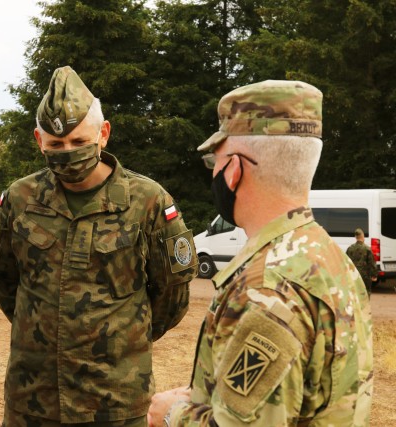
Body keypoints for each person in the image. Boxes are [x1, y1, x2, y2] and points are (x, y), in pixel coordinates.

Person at [0, 66, 198, 426]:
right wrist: (43, 329)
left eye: (79, 142)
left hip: (116, 400)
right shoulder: (19, 198)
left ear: (104, 134)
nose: (68, 152)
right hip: (32, 400)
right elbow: (3, 279)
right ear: (39, 140)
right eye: (56, 145)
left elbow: (171, 296)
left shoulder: (148, 201)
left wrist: (123, 340)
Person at [148, 80, 373, 426]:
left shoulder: (265, 288)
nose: (213, 171)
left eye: (215, 160)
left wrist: (172, 415)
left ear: (234, 169)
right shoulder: (329, 258)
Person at [346, 228, 378, 298]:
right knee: (366, 293)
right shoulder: (367, 249)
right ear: (362, 236)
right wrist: (374, 275)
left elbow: (346, 262)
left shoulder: (350, 248)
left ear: (356, 237)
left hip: (353, 275)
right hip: (365, 276)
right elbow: (372, 263)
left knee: (354, 293)